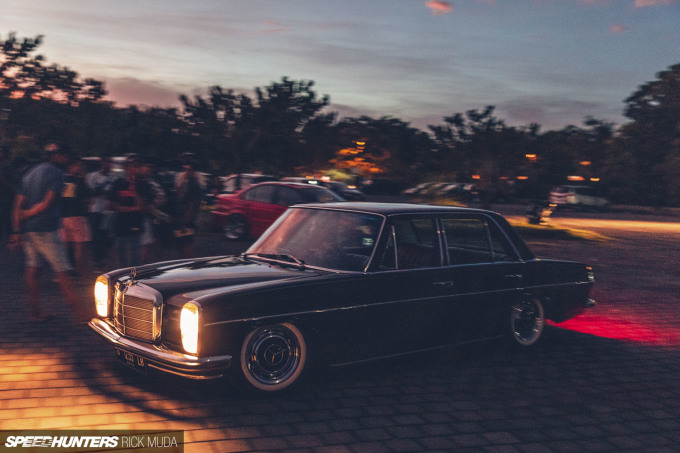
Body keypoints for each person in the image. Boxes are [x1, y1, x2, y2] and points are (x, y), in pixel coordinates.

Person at [9, 143, 88, 323]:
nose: (67, 159)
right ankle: (81, 314)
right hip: (47, 229)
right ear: (57, 155)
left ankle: (35, 313)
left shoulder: (30, 173)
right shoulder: (57, 174)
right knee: (63, 271)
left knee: (33, 270)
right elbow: (48, 203)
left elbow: (17, 205)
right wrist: (28, 214)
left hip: (29, 230)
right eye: (65, 155)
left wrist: (17, 229)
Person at [109, 154, 154, 267]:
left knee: (134, 260)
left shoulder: (144, 185)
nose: (134, 169)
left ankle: (133, 278)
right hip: (120, 226)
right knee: (120, 259)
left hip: (135, 226)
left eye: (137, 166)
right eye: (132, 166)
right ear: (126, 167)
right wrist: (128, 209)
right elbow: (110, 204)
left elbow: (143, 207)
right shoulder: (118, 182)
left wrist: (134, 188)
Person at [60, 156, 92, 276]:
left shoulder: (62, 180)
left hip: (63, 217)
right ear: (71, 167)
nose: (80, 168)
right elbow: (89, 199)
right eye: (78, 165)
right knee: (79, 246)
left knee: (65, 246)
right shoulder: (79, 181)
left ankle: (64, 273)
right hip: (78, 216)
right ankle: (80, 273)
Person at [85, 154, 118, 268]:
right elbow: (91, 192)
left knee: (106, 235)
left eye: (110, 162)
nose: (108, 165)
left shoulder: (114, 177)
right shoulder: (93, 176)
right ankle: (97, 259)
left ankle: (104, 257)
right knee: (96, 235)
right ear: (101, 163)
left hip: (108, 211)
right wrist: (105, 192)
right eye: (106, 162)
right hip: (95, 210)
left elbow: (116, 193)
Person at [173, 153, 205, 258]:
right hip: (180, 218)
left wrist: (185, 223)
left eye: (189, 170)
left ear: (194, 172)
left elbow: (191, 205)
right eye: (185, 169)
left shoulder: (194, 185)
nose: (186, 172)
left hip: (187, 221)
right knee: (180, 245)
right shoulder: (185, 182)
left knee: (187, 245)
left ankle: (189, 265)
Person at [0, 145, 15, 242]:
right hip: (3, 198)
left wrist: (3, 180)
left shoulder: (7, 165)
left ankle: (11, 240)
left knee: (7, 219)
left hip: (6, 198)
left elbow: (11, 183)